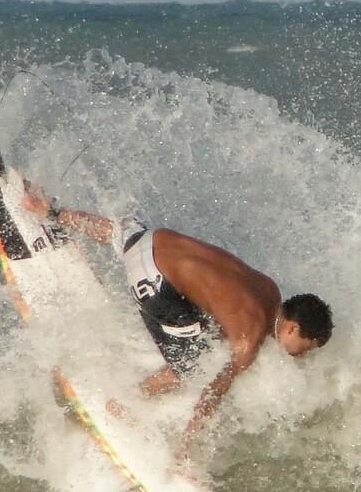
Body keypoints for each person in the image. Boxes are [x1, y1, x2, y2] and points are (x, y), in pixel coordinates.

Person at [20, 184, 333, 462]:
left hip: (150, 239)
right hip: (151, 282)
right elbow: (211, 395)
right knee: (192, 366)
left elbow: (221, 295)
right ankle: (123, 402)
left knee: (130, 239)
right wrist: (183, 452)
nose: (300, 355)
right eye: (303, 348)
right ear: (292, 328)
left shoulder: (269, 289)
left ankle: (51, 212)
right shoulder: (248, 342)